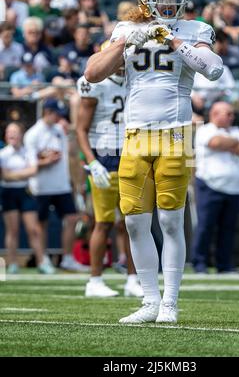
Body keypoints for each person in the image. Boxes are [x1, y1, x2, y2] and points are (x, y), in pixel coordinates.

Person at [84, 0, 223, 323]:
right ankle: (149, 300)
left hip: (175, 133)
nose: (169, 2)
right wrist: (126, 42)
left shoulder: (195, 29)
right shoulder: (126, 29)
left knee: (172, 221)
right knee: (133, 223)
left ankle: (170, 303)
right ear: (146, 0)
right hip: (133, 136)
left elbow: (213, 68)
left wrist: (175, 41)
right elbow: (92, 73)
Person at [76, 46, 143, 298]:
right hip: (103, 157)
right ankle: (94, 280)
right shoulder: (95, 84)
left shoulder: (136, 80)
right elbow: (80, 129)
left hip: (130, 155)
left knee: (132, 223)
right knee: (103, 222)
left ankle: (133, 279)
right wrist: (92, 162)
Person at [24, 98, 87, 272]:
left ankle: (67, 258)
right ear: (47, 113)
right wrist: (46, 160)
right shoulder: (33, 134)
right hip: (41, 186)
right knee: (41, 223)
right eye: (56, 114)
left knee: (72, 218)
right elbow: (31, 163)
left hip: (62, 185)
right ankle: (43, 260)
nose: (59, 118)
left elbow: (73, 139)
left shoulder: (59, 130)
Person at [192, 102, 239, 273]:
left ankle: (224, 265)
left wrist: (229, 143)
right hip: (210, 185)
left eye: (232, 114)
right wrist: (235, 143)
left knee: (228, 228)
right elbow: (215, 143)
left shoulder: (236, 131)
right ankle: (200, 263)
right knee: (205, 226)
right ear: (214, 114)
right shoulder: (206, 130)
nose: (232, 117)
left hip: (235, 188)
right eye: (228, 113)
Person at [0, 122, 52, 274]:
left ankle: (42, 262)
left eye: (15, 131)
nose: (12, 135)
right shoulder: (3, 154)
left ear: (21, 134)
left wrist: (12, 175)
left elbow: (33, 171)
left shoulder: (27, 151)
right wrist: (21, 172)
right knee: (13, 230)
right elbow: (4, 176)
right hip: (8, 193)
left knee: (33, 229)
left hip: (25, 192)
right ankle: (12, 263)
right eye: (10, 132)